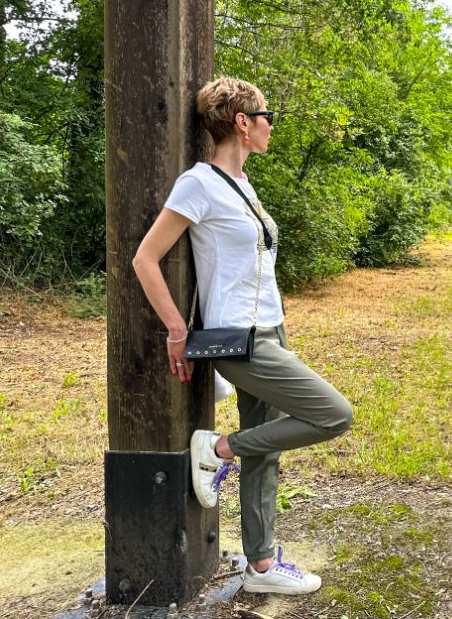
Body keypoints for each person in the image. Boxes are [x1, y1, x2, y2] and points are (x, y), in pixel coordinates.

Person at [132, 76, 353, 595]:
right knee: (332, 414)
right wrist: (176, 328)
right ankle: (218, 448)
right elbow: (145, 258)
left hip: (270, 328)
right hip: (237, 337)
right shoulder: (198, 184)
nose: (271, 125)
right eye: (266, 115)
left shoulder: (244, 186)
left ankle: (261, 567)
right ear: (243, 123)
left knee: (268, 450)